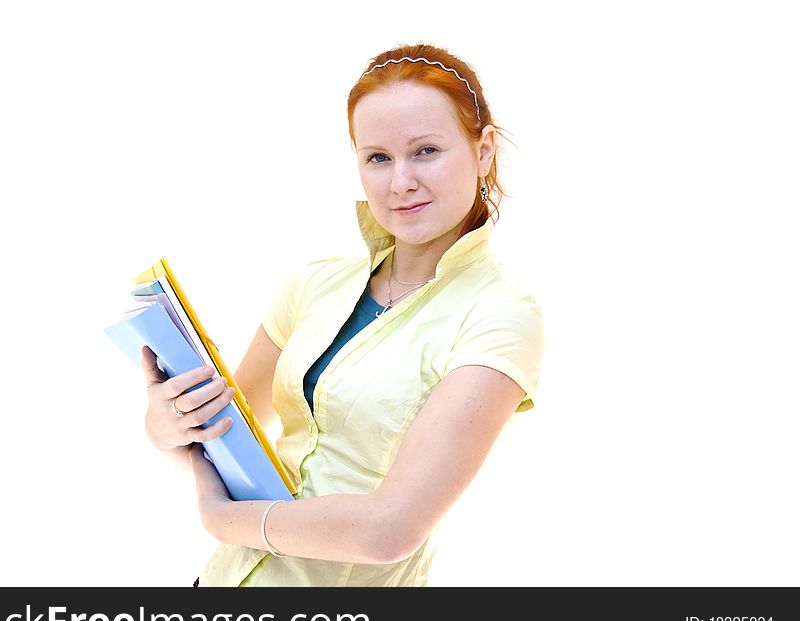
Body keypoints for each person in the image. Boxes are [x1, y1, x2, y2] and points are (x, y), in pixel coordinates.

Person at [140, 43, 544, 586]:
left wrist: (226, 519)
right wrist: (168, 426)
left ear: (485, 150)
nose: (400, 181)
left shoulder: (500, 315)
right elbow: (228, 437)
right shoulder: (314, 284)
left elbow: (389, 531)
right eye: (378, 157)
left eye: (426, 150)